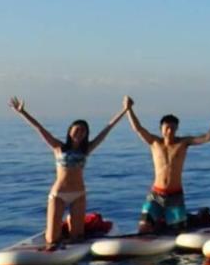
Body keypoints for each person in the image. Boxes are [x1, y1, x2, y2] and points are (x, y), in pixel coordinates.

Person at [9, 96, 127, 246]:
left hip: (78, 194)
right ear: (70, 132)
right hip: (59, 194)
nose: (80, 133)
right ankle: (66, 224)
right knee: (51, 239)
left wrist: (124, 110)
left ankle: (72, 222)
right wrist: (22, 112)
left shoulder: (87, 150)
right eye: (77, 130)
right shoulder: (58, 147)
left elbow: (108, 128)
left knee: (77, 238)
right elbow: (40, 129)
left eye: (83, 131)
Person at [126, 96, 210, 234]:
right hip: (156, 194)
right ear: (161, 128)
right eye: (167, 128)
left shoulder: (183, 143)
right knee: (143, 227)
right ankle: (157, 224)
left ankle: (192, 219)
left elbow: (207, 138)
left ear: (177, 129)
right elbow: (138, 128)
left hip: (175, 195)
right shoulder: (154, 142)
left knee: (177, 232)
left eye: (173, 128)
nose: (169, 131)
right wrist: (129, 109)